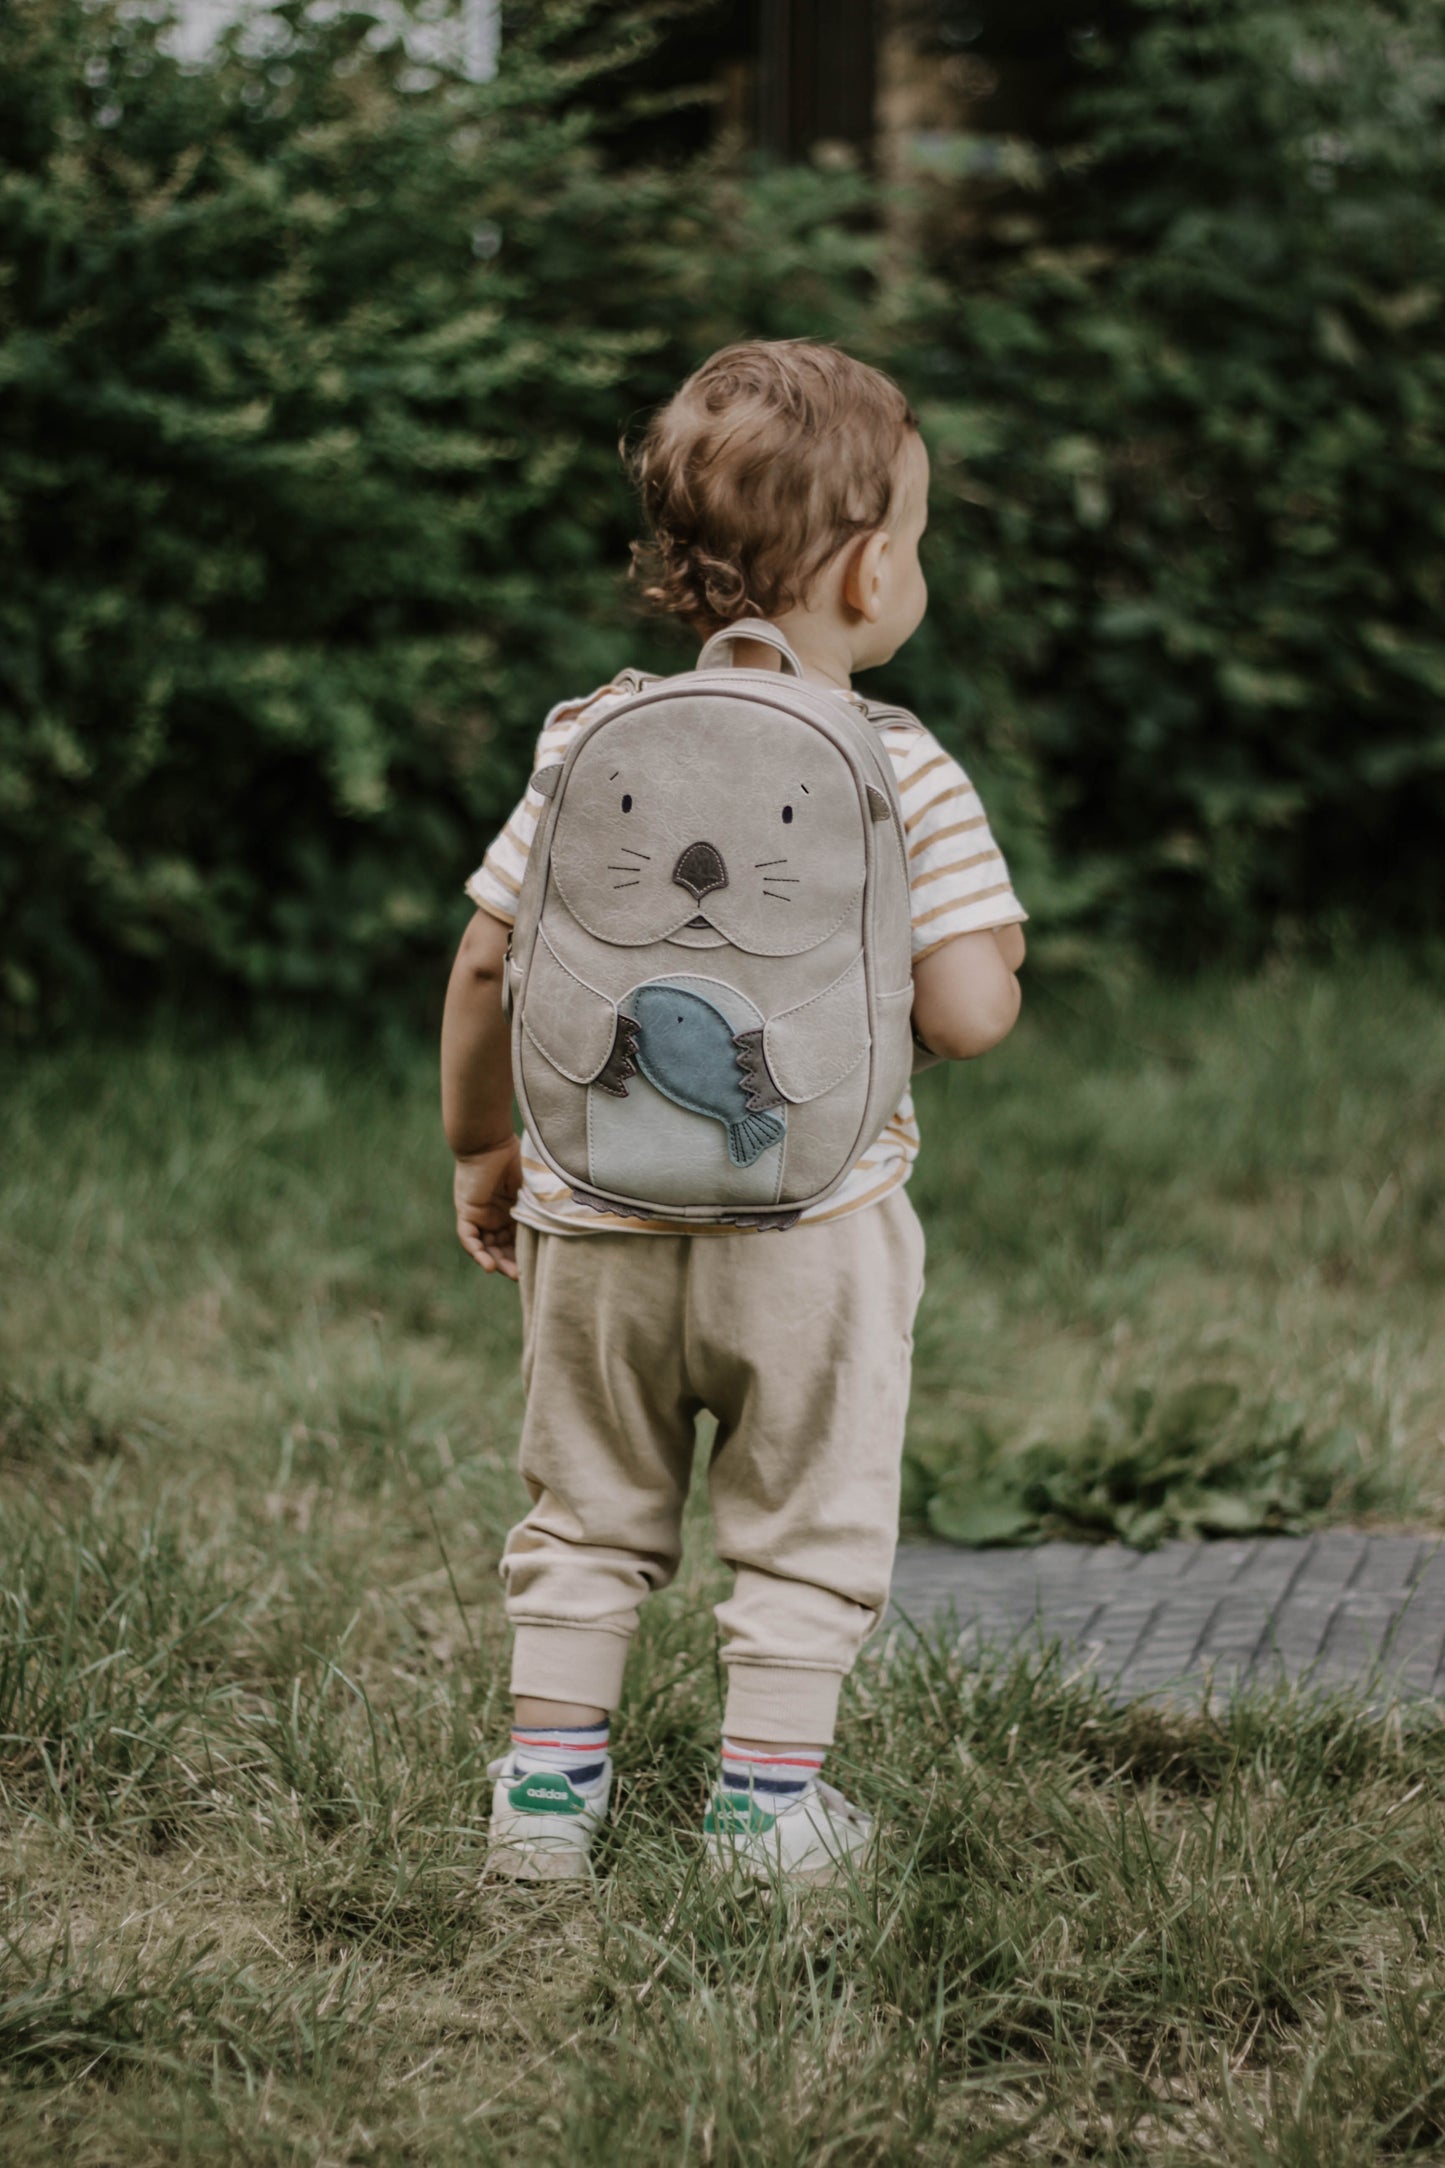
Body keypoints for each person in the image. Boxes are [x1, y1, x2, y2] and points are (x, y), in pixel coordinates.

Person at [440, 340, 1027, 1884]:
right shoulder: (899, 763)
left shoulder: (584, 740)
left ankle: (547, 1806)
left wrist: (481, 1147)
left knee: (585, 1508)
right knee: (807, 1516)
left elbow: (487, 959)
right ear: (872, 566)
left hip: (593, 1216)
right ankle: (765, 1819)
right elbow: (965, 1011)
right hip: (813, 1236)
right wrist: (995, 954)